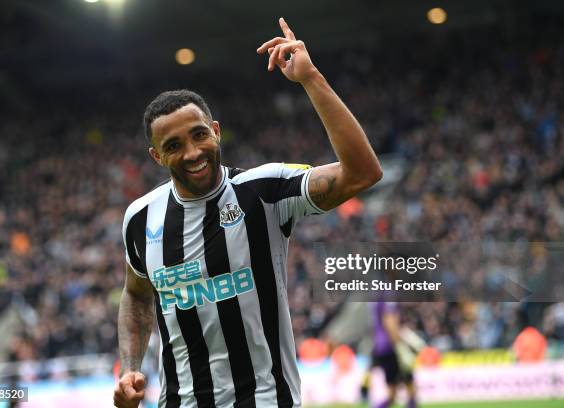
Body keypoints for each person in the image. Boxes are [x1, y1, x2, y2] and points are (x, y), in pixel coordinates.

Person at [114, 17, 382, 408]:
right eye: (173, 146)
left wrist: (311, 79)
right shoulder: (141, 218)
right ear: (157, 156)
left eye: (199, 134)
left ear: (217, 131)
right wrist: (129, 368)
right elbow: (137, 295)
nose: (192, 152)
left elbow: (362, 173)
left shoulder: (264, 190)